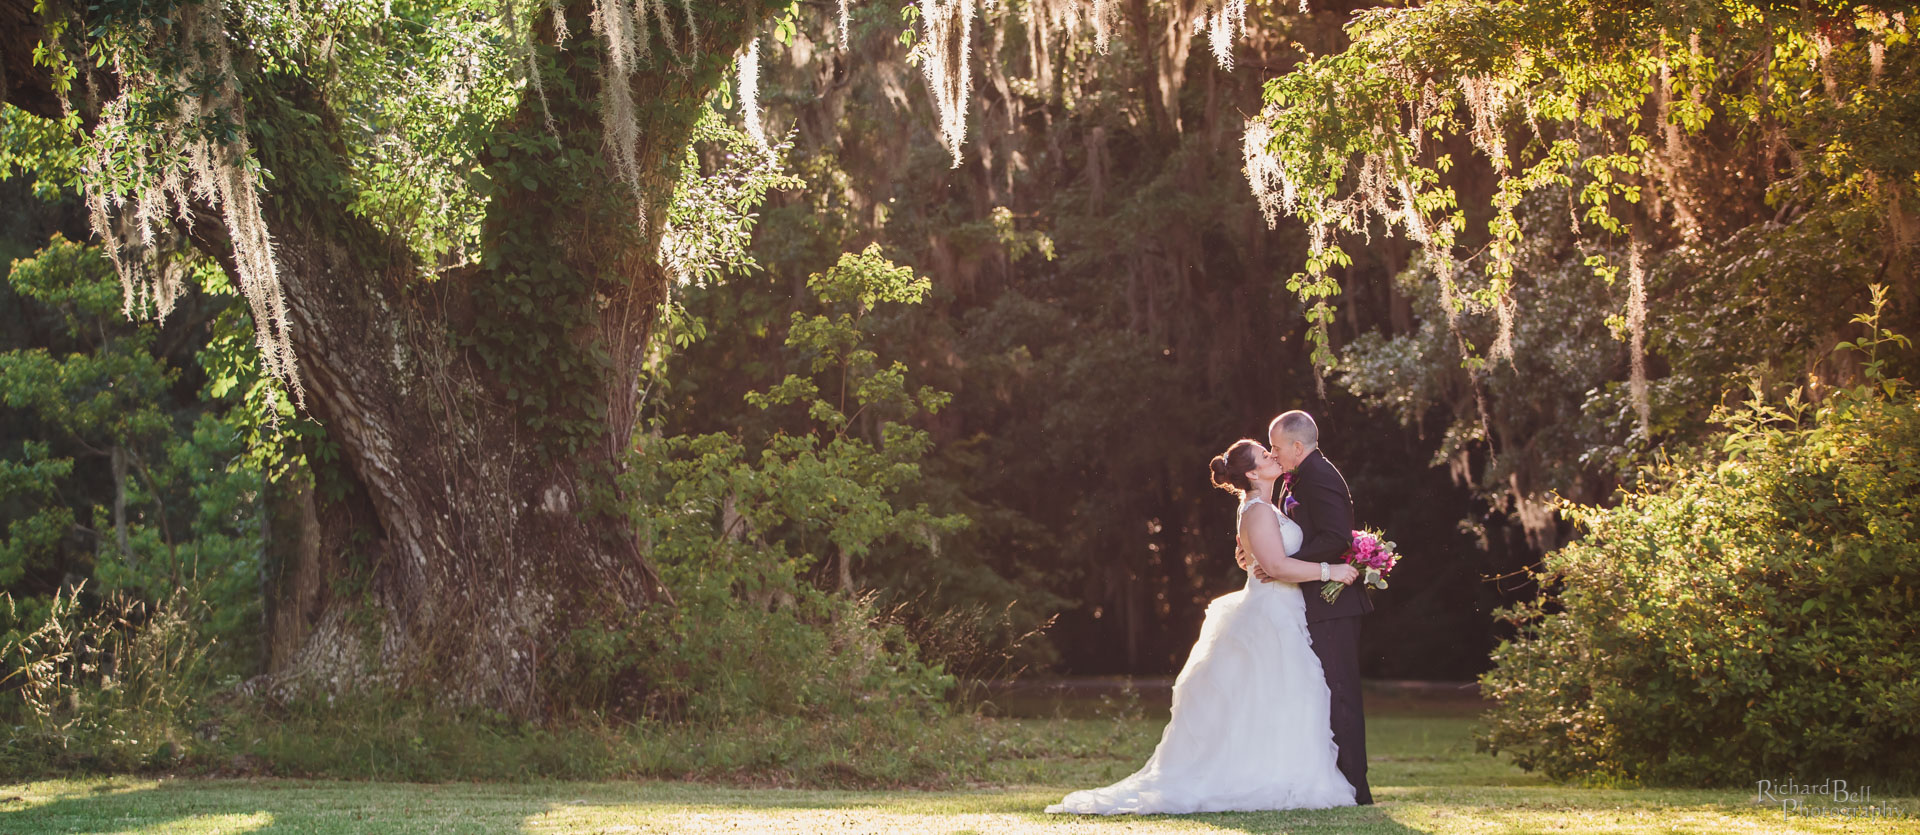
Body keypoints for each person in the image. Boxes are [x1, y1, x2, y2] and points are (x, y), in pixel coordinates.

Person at [1045, 439, 1357, 815]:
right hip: (1269, 616)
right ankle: (1264, 780)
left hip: (1284, 612)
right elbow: (1275, 568)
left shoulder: (1266, 507)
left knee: (1285, 697)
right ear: (1252, 473)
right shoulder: (1257, 509)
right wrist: (1331, 571)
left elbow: (1266, 556)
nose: (1272, 455)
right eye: (1264, 454)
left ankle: (1282, 773)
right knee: (1280, 693)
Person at [1247, 410, 1374, 805]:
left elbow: (1336, 538)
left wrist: (1287, 566)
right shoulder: (1296, 478)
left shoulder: (1319, 476)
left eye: (1277, 447)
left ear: (1297, 447)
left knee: (1341, 693)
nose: (1273, 453)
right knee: (1323, 694)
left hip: (1332, 604)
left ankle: (1357, 788)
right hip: (1312, 600)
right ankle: (1333, 781)